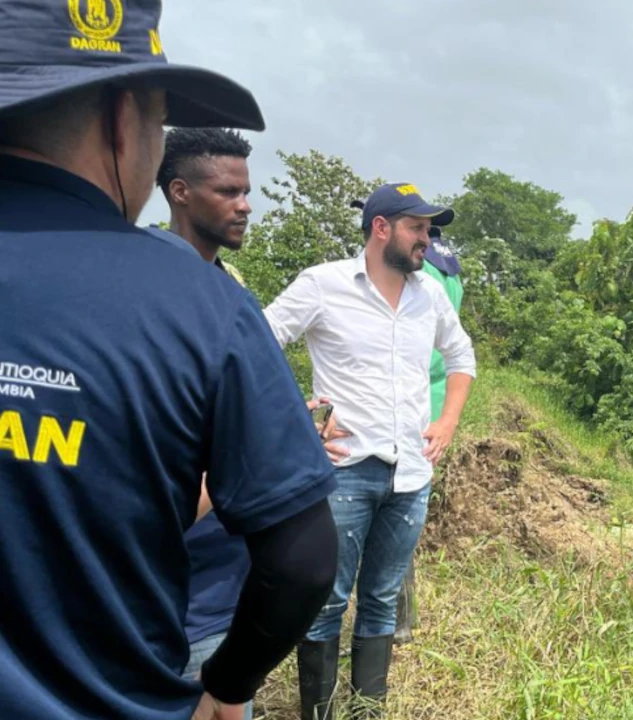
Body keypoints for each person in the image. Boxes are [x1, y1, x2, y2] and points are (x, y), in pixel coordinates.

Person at [0, 3, 339, 719]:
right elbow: (303, 559)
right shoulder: (199, 305)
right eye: (159, 123)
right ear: (125, 120)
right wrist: (229, 687)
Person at [148, 127, 355, 720]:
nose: (244, 206)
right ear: (179, 192)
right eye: (228, 192)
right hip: (179, 604)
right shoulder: (163, 298)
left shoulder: (229, 289)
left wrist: (289, 439)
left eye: (247, 192)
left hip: (223, 591)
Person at [263, 183, 477, 718]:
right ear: (381, 227)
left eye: (429, 229)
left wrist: (447, 420)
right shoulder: (324, 285)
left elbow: (461, 355)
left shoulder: (428, 292)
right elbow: (257, 344)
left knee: (382, 601)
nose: (426, 239)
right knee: (326, 602)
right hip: (343, 474)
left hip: (410, 476)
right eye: (418, 227)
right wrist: (298, 420)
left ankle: (366, 712)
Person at [393, 225, 465, 645]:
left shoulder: (420, 273)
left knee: (394, 512)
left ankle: (399, 622)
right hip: (435, 403)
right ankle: (403, 617)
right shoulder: (449, 266)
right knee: (402, 515)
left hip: (416, 403)